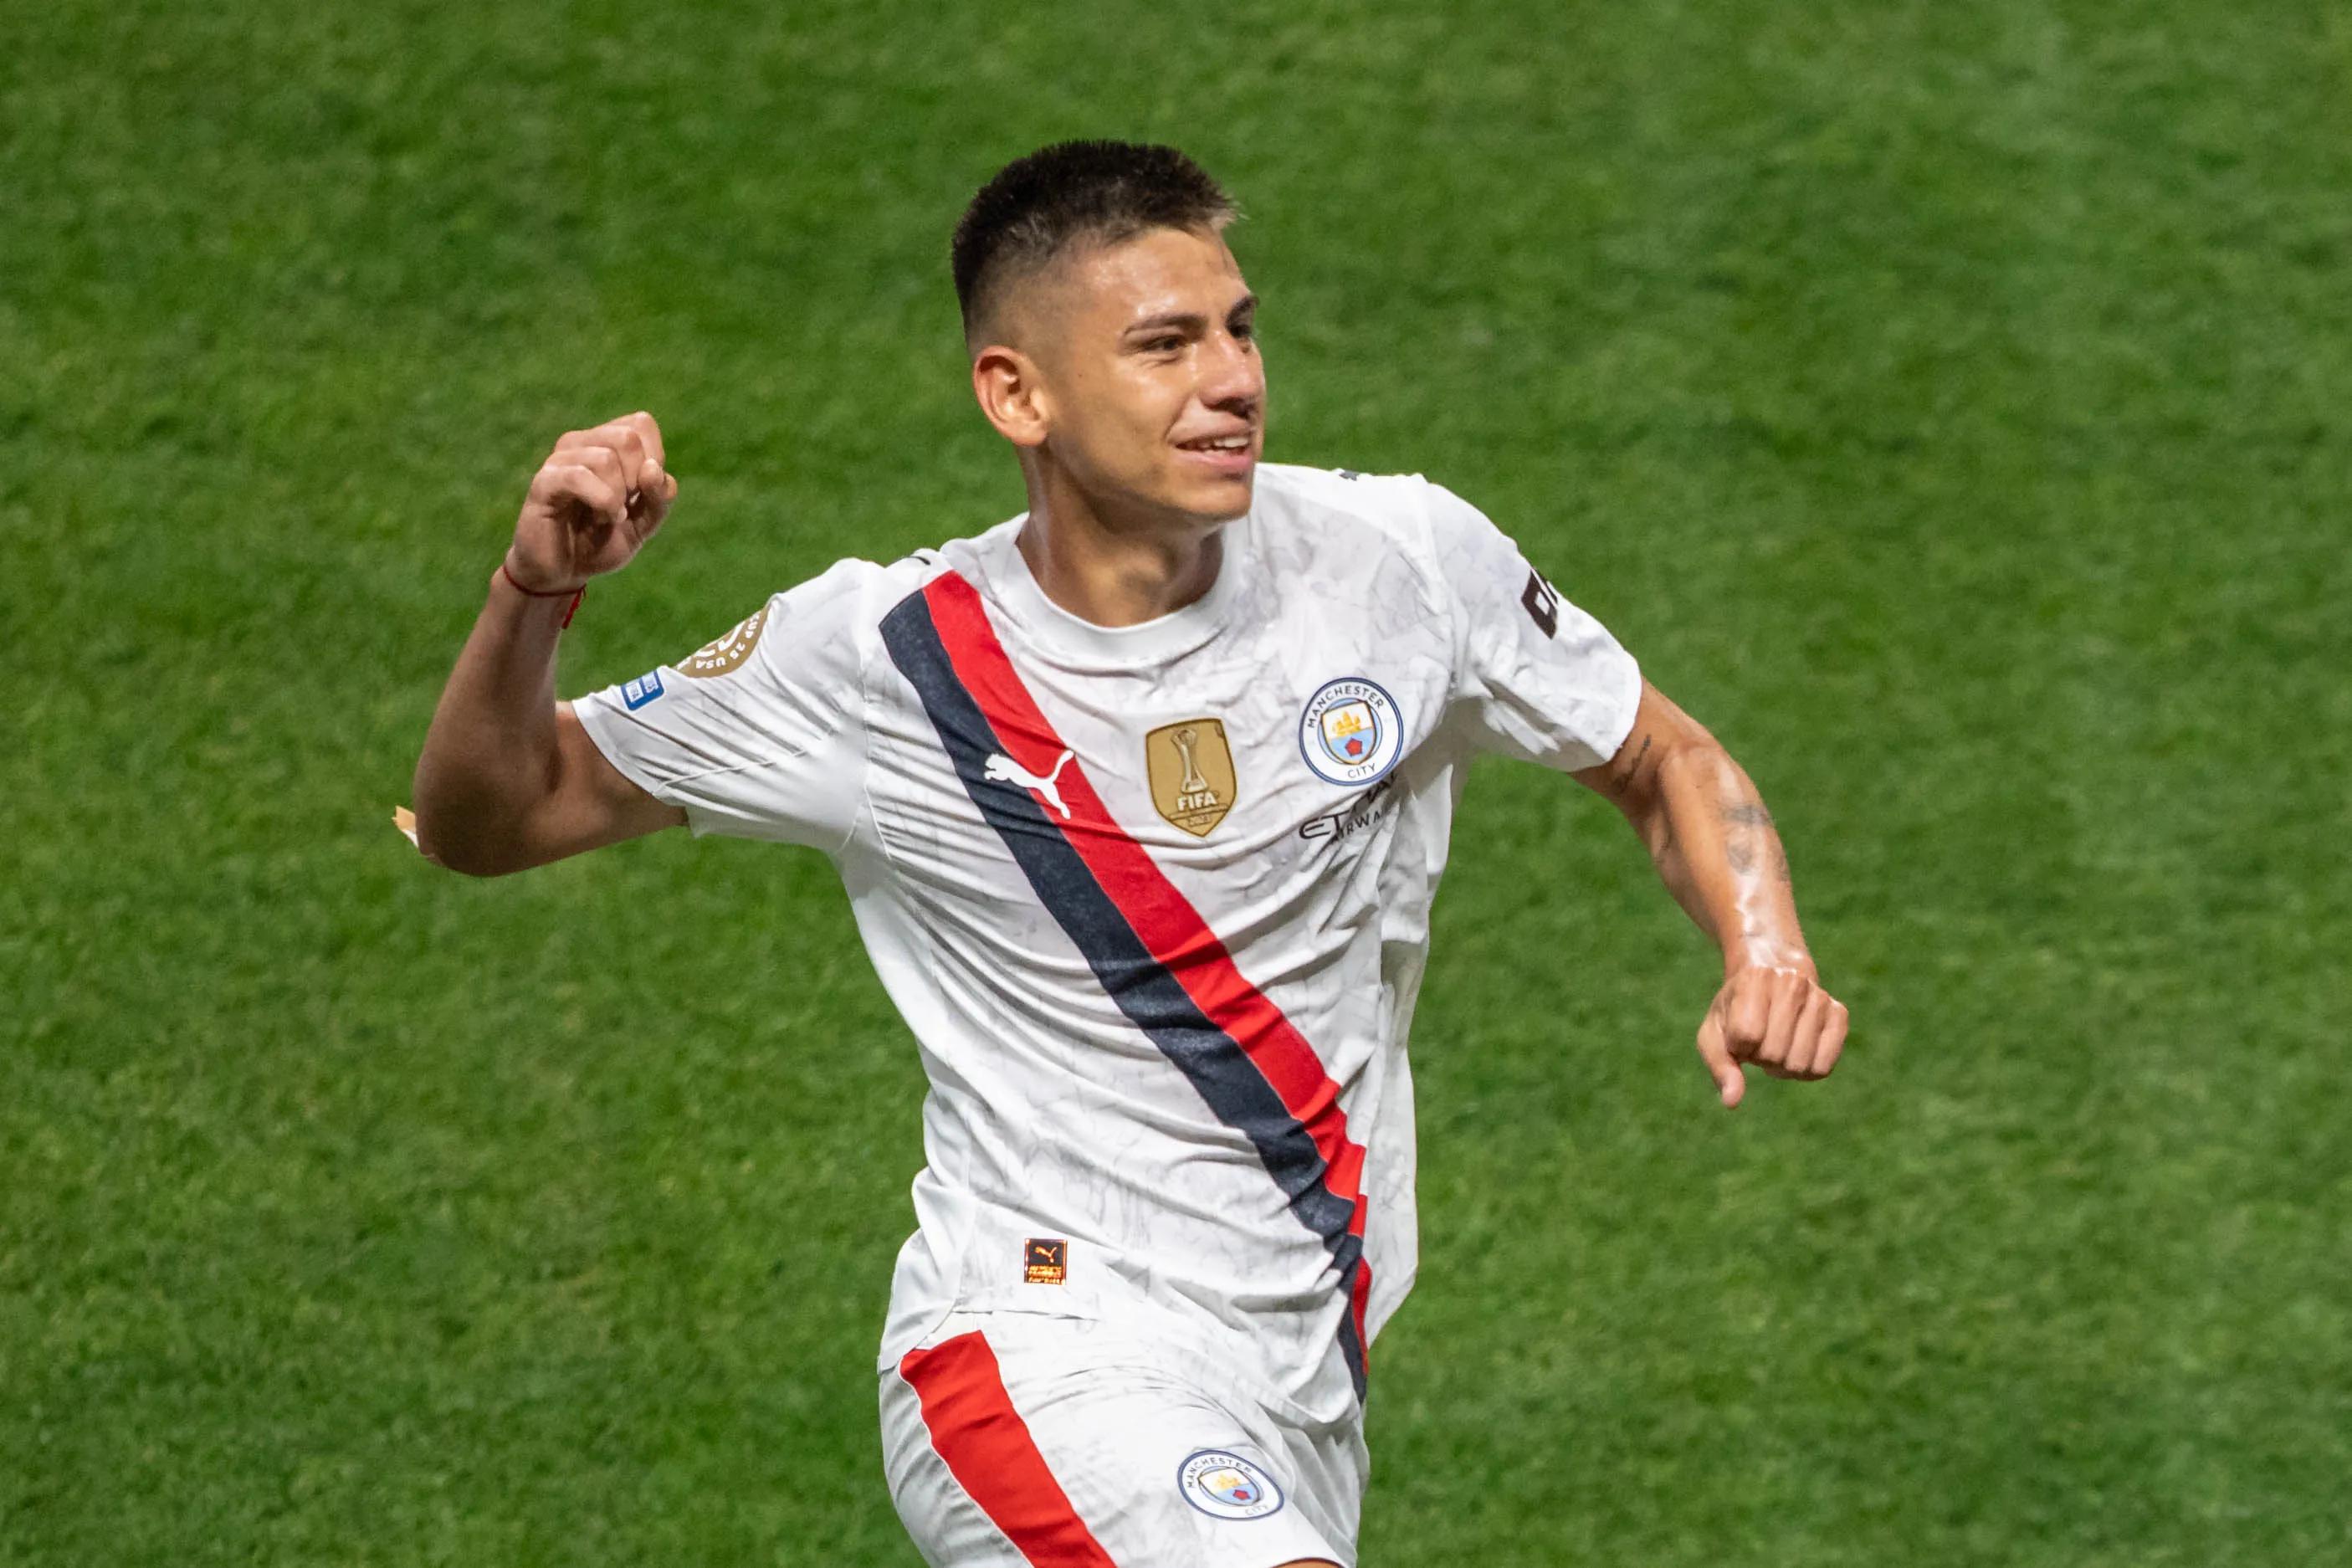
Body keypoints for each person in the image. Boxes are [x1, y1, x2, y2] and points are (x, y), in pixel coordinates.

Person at [412, 140, 1850, 1568]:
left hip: (1297, 1380)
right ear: (1016, 393)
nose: (1232, 380)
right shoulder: (890, 659)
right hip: (1037, 1348)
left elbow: (1660, 755)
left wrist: (1764, 946)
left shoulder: (1401, 560)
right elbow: (496, 815)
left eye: (1239, 329)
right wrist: (536, 589)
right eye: (1165, 346)